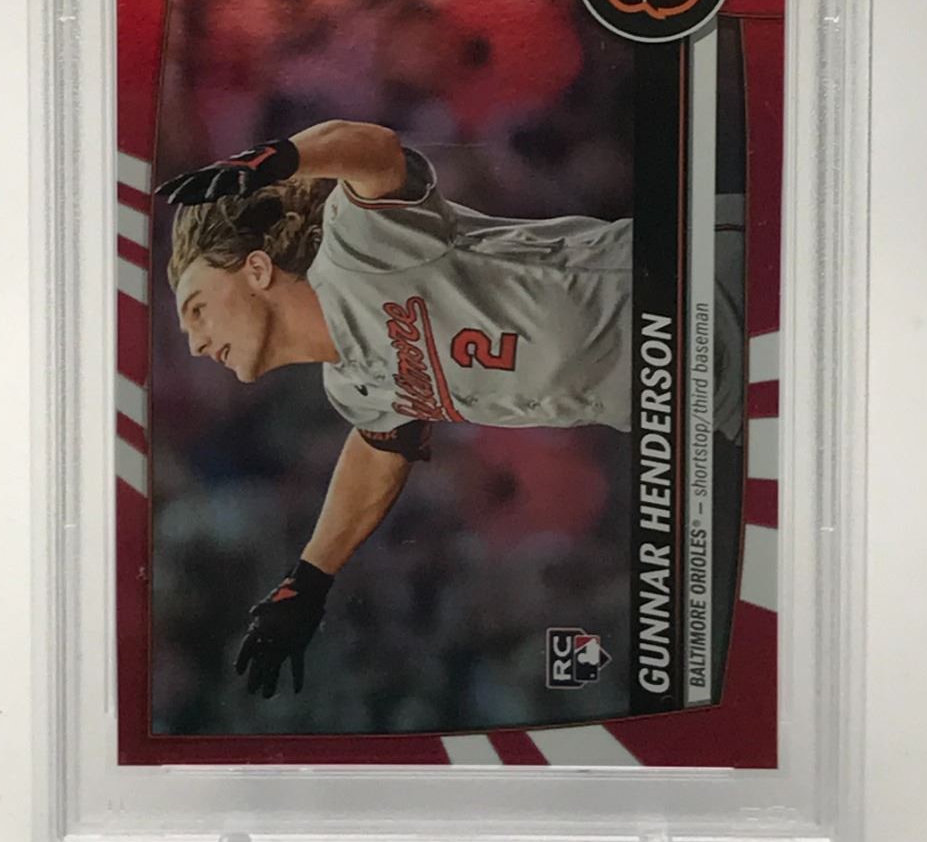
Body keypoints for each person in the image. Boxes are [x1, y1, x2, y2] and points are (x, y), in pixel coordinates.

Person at [160, 119, 637, 698]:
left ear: (256, 269)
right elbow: (377, 450)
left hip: (675, 293)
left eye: (197, 309)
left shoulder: (355, 247)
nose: (195, 343)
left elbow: (377, 152)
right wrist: (309, 579)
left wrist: (275, 159)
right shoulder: (351, 384)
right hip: (661, 396)